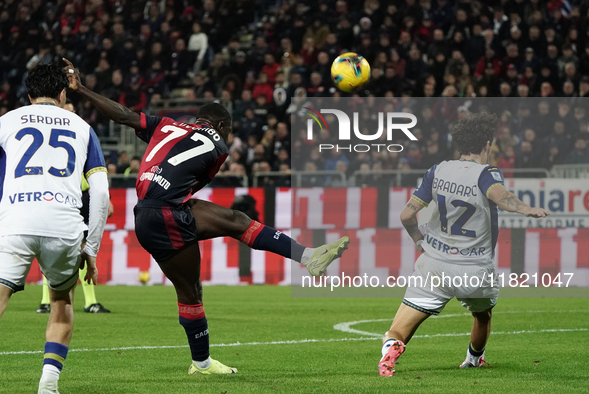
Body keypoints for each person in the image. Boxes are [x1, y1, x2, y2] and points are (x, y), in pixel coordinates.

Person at [63, 58, 349, 376]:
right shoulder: (220, 146)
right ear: (222, 126)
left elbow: (122, 114)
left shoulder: (166, 125)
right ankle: (201, 364)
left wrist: (83, 89)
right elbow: (192, 176)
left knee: (236, 220)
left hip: (149, 210)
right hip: (166, 215)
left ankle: (307, 256)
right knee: (191, 290)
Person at [378, 112, 549, 376]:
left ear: (459, 144)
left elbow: (406, 215)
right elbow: (500, 196)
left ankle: (391, 346)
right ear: (486, 144)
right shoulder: (486, 173)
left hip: (434, 264)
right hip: (474, 268)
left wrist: (418, 241)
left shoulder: (438, 170)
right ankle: (473, 359)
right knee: (482, 316)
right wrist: (526, 209)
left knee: (399, 328)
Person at [0, 62, 110, 394]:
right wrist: (91, 248)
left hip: (16, 219)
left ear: (29, 94)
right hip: (64, 225)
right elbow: (101, 192)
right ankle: (48, 384)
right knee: (61, 301)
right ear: (63, 94)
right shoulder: (82, 127)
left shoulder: (6, 122)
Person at [36, 100, 114, 314]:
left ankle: (89, 302)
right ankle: (47, 301)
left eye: (73, 110)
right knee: (52, 249)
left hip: (83, 197)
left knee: (78, 249)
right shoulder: (56, 135)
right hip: (62, 196)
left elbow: (94, 171)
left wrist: (107, 200)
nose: (70, 113)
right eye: (67, 110)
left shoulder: (79, 133)